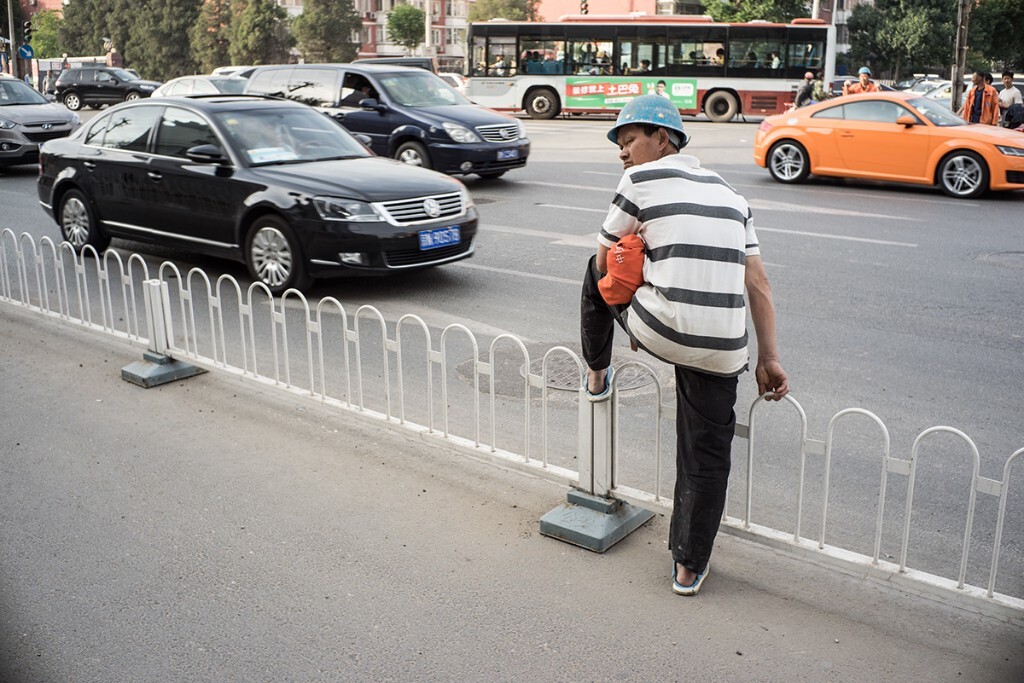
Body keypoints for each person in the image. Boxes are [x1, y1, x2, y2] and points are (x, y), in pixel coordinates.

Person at [579, 95, 788, 596]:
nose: (622, 154)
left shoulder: (637, 182)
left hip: (658, 329)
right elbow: (758, 283)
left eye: (629, 140)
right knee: (706, 453)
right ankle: (687, 567)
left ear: (663, 138)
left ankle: (596, 373)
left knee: (592, 268)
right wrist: (770, 359)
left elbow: (606, 260)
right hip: (724, 347)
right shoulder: (734, 196)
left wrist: (640, 265)